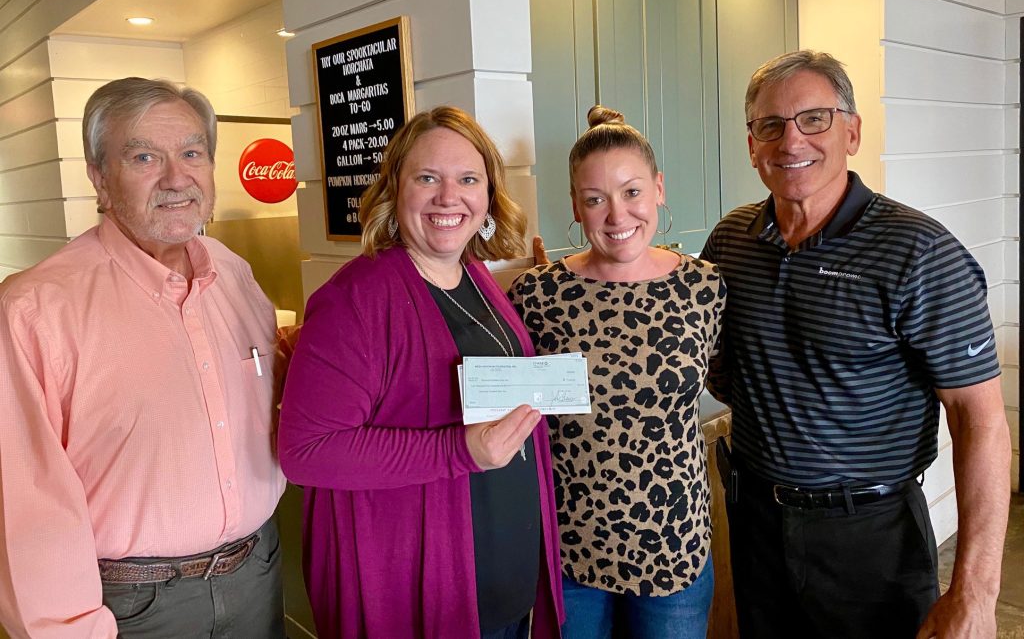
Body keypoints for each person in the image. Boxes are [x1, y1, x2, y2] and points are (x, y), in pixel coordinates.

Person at [701, 50, 1011, 638]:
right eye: (770, 125)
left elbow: (981, 423)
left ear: (852, 132)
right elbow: (723, 366)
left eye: (814, 119)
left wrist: (975, 594)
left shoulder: (920, 254)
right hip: (756, 523)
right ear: (752, 145)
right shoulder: (731, 242)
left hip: (870, 538)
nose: (792, 141)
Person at [0, 78, 286, 638]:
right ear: (100, 180)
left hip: (259, 571)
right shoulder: (35, 308)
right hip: (130, 607)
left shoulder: (234, 272)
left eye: (192, 153)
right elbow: (27, 506)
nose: (176, 178)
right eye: (144, 157)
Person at [277, 105, 564, 639]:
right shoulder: (354, 301)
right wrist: (459, 451)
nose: (448, 197)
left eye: (467, 179)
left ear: (489, 196)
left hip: (503, 581)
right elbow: (305, 452)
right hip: (420, 592)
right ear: (395, 190)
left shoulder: (475, 275)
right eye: (427, 178)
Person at [510, 105, 726, 639]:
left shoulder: (704, 287)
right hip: (571, 551)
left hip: (674, 545)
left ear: (658, 188)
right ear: (576, 208)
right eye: (595, 199)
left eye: (631, 192)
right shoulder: (538, 295)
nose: (616, 214)